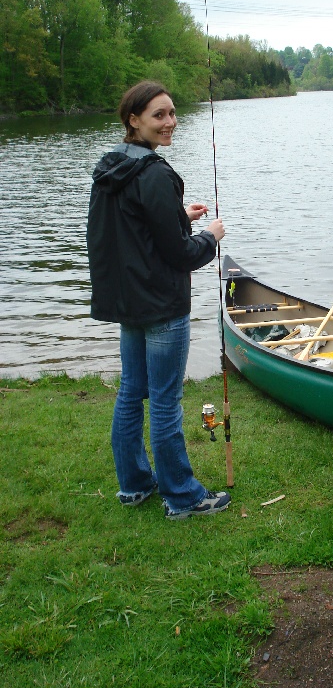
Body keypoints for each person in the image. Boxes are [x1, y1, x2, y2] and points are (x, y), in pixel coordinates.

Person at [86, 80, 231, 519]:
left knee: (132, 392)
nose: (170, 123)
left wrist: (176, 217)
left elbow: (124, 232)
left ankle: (133, 486)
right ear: (134, 120)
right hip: (163, 306)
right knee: (164, 401)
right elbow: (180, 255)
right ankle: (183, 497)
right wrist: (209, 236)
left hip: (128, 303)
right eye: (158, 115)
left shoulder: (110, 168)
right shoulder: (154, 173)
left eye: (172, 113)